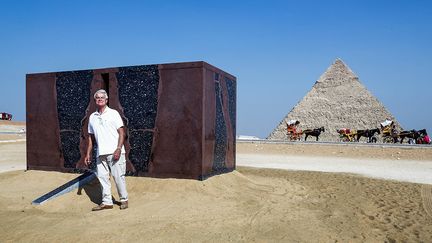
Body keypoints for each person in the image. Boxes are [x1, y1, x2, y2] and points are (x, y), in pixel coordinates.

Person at [84, 89, 129, 211]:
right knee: (103, 178)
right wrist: (88, 153)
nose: (99, 99)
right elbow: (90, 138)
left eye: (102, 98)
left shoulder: (113, 113)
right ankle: (107, 202)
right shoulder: (92, 117)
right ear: (95, 100)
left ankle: (124, 200)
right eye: (97, 98)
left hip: (115, 151)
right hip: (100, 153)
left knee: (118, 176)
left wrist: (119, 148)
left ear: (106, 100)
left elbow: (122, 132)